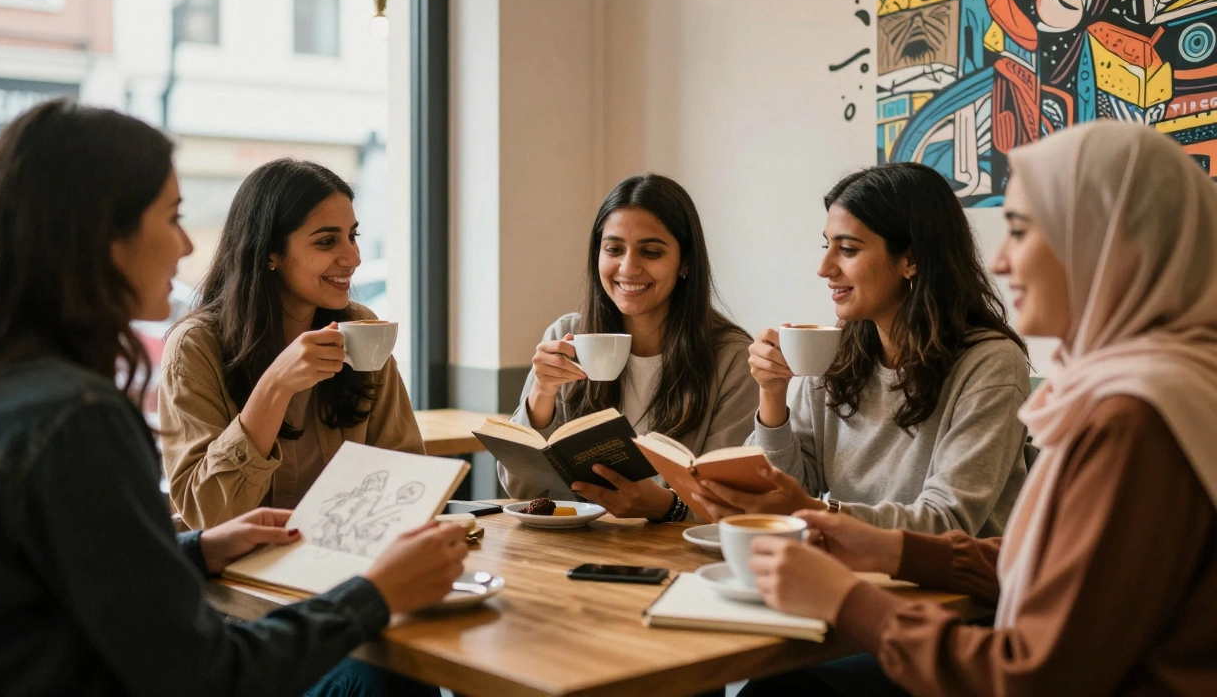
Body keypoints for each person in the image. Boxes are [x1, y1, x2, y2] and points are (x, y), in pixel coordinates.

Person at [0, 98, 465, 697]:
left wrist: (195, 550)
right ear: (101, 236)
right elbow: (203, 673)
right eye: (171, 217)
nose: (186, 247)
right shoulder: (74, 417)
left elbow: (62, 586)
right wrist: (374, 596)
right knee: (389, 679)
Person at [740, 121, 1217, 695]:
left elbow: (1034, 675)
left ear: (1103, 243)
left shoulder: (1134, 418)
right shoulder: (1137, 392)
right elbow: (1048, 568)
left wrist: (847, 598)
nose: (1002, 261)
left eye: (1020, 231)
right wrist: (886, 546)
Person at [694, 163, 1031, 536]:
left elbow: (947, 522)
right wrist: (772, 396)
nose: (824, 268)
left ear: (912, 259)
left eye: (848, 249)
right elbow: (784, 496)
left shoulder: (990, 365)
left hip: (945, 589)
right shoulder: (836, 354)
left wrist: (811, 511)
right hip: (841, 572)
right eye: (827, 246)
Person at [160, 158, 423, 529]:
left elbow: (405, 474)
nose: (353, 257)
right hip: (236, 572)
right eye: (327, 241)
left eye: (353, 236)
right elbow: (208, 514)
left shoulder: (360, 327)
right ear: (270, 252)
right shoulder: (196, 346)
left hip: (344, 560)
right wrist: (275, 386)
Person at [499, 173, 759, 521]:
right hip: (570, 548)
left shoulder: (730, 357)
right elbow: (520, 490)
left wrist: (668, 508)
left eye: (651, 252)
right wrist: (541, 396)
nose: (628, 267)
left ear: (685, 262)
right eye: (614, 249)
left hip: (676, 556)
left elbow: (732, 507)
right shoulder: (567, 334)